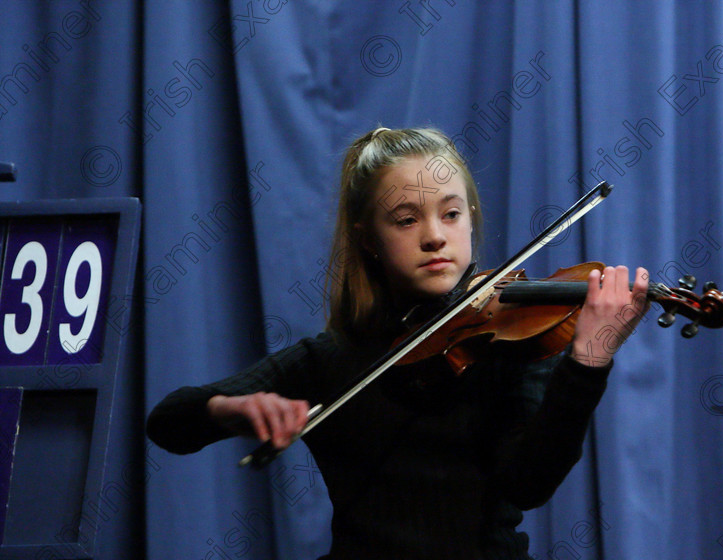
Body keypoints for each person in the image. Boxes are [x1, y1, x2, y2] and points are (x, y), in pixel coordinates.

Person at [146, 127, 650, 559]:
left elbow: (529, 483)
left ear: (471, 218)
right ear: (368, 239)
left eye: (451, 215)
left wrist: (587, 361)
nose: (435, 236)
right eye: (407, 220)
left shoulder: (509, 339)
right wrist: (226, 408)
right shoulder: (330, 359)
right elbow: (168, 422)